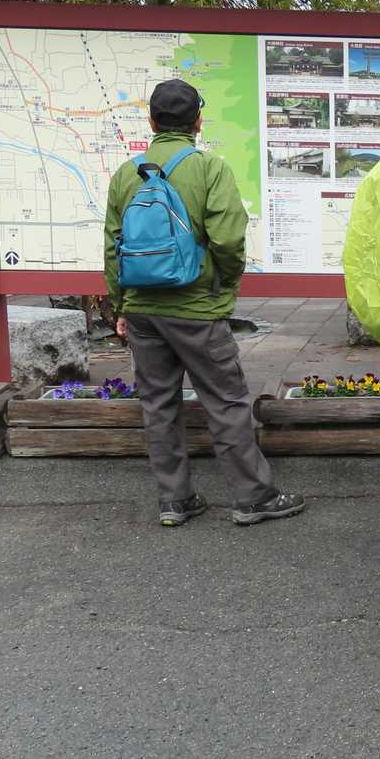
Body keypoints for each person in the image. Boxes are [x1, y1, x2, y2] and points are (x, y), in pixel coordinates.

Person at [104, 79, 304, 528]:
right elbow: (228, 241)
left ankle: (175, 500)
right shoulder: (210, 169)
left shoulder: (126, 174)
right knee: (226, 402)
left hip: (142, 310)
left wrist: (121, 305)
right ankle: (253, 497)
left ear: (151, 121)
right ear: (197, 120)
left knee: (158, 404)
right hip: (197, 310)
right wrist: (222, 286)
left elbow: (112, 248)